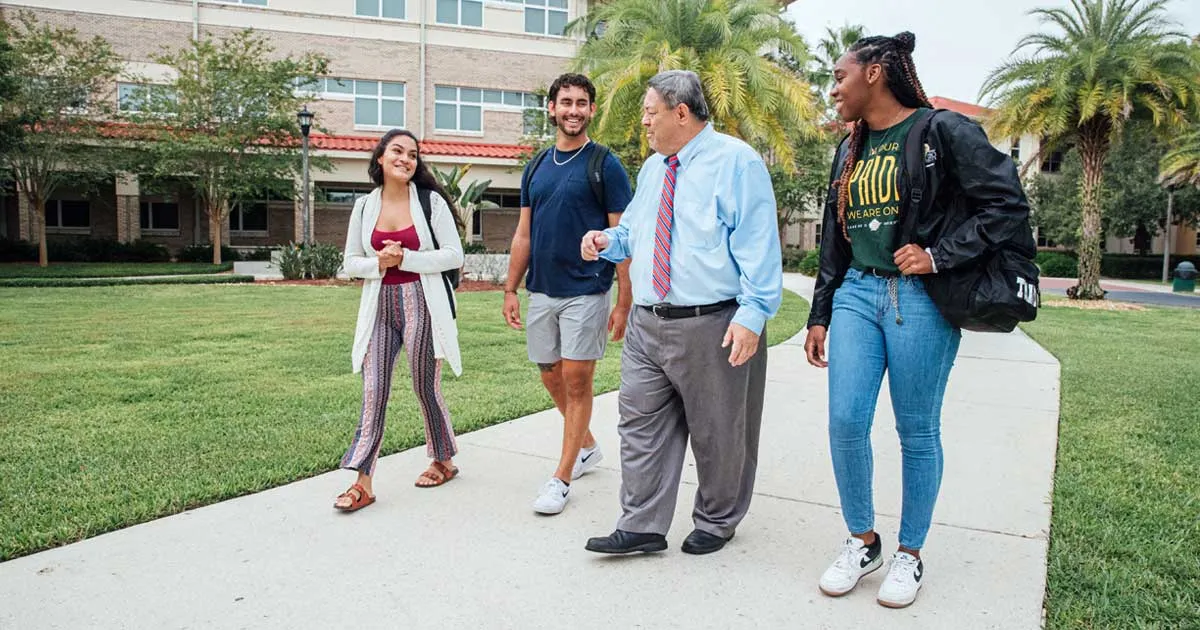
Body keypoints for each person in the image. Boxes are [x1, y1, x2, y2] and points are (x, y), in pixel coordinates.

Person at [804, 32, 1034, 608]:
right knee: (845, 421)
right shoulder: (849, 147)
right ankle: (863, 541)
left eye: (839, 76)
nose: (833, 89)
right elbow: (837, 235)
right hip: (858, 291)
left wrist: (940, 254)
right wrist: (820, 311)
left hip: (921, 300)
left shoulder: (942, 131)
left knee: (917, 430)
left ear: (876, 73)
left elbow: (1006, 204)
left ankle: (910, 553)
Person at [580, 70, 782, 555]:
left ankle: (717, 520)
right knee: (638, 422)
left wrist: (752, 315)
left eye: (650, 112)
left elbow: (758, 245)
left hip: (712, 321)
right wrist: (607, 241)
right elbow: (634, 232)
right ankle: (642, 523)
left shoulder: (737, 163)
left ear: (681, 112)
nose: (644, 123)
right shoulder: (654, 168)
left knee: (720, 430)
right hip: (649, 323)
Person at [502, 73, 634, 515]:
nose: (573, 110)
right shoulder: (537, 165)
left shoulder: (605, 164)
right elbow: (524, 233)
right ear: (552, 109)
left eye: (581, 103)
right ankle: (588, 446)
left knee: (578, 381)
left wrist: (623, 300)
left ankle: (561, 477)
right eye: (566, 102)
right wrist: (510, 288)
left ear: (591, 110)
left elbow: (624, 237)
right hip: (543, 289)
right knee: (548, 372)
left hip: (586, 289)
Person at [334, 129, 466, 512]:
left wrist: (405, 259)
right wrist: (379, 262)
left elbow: (453, 255)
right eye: (397, 151)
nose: (405, 159)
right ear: (380, 157)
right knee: (373, 390)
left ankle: (443, 458)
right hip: (379, 305)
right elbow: (349, 263)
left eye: (412, 154)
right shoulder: (364, 206)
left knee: (425, 385)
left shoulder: (430, 203)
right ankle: (362, 482)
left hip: (421, 302)